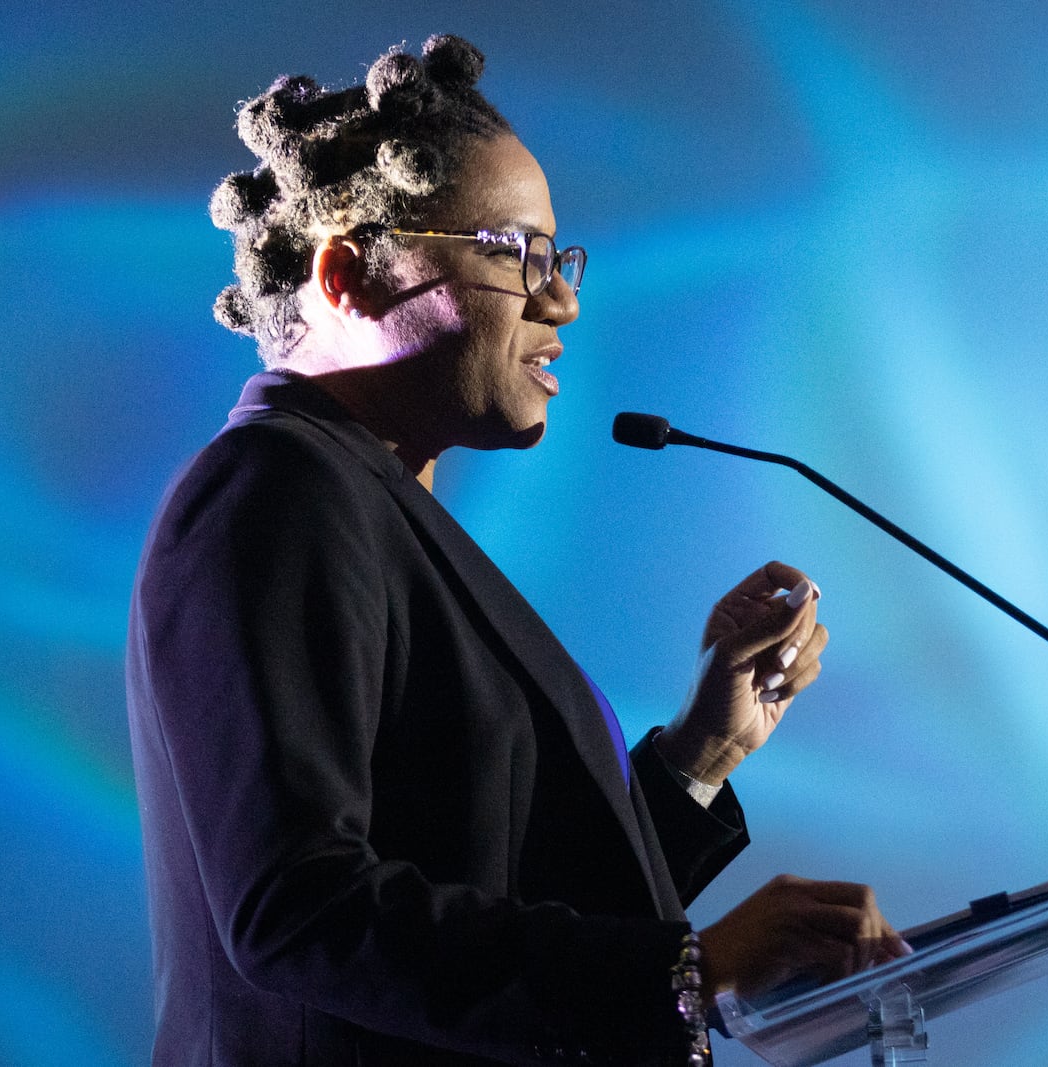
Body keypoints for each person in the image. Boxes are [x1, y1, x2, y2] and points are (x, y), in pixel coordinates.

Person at [126, 34, 907, 1066]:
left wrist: (696, 758)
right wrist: (686, 969)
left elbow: (506, 889)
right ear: (350, 270)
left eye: (559, 257)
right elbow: (301, 907)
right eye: (513, 251)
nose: (562, 299)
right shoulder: (275, 491)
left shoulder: (366, 502)